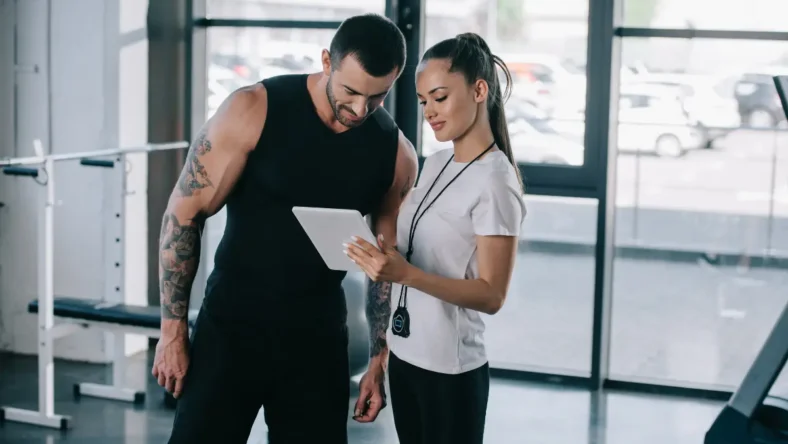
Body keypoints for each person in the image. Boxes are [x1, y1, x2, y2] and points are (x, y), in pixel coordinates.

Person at [152, 13, 419, 444]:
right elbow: (183, 214)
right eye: (351, 92)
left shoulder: (396, 155)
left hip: (317, 339)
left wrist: (378, 361)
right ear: (327, 62)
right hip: (232, 326)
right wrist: (172, 332)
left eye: (377, 97)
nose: (359, 110)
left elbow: (384, 267)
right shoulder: (253, 108)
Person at [346, 33, 526, 444]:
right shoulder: (436, 163)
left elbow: (492, 295)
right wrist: (380, 359)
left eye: (440, 97)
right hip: (404, 357)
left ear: (479, 91)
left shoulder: (496, 181)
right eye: (423, 100)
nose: (429, 111)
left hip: (450, 371)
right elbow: (414, 252)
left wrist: (405, 273)